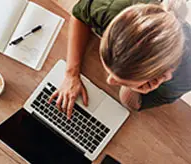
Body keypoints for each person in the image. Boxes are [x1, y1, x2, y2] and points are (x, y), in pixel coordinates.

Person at [48, 0, 191, 118]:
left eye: (120, 80)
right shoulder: (111, 8)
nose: (109, 80)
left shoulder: (184, 77)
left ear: (158, 77)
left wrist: (134, 89)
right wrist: (71, 73)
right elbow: (80, 14)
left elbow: (132, 104)